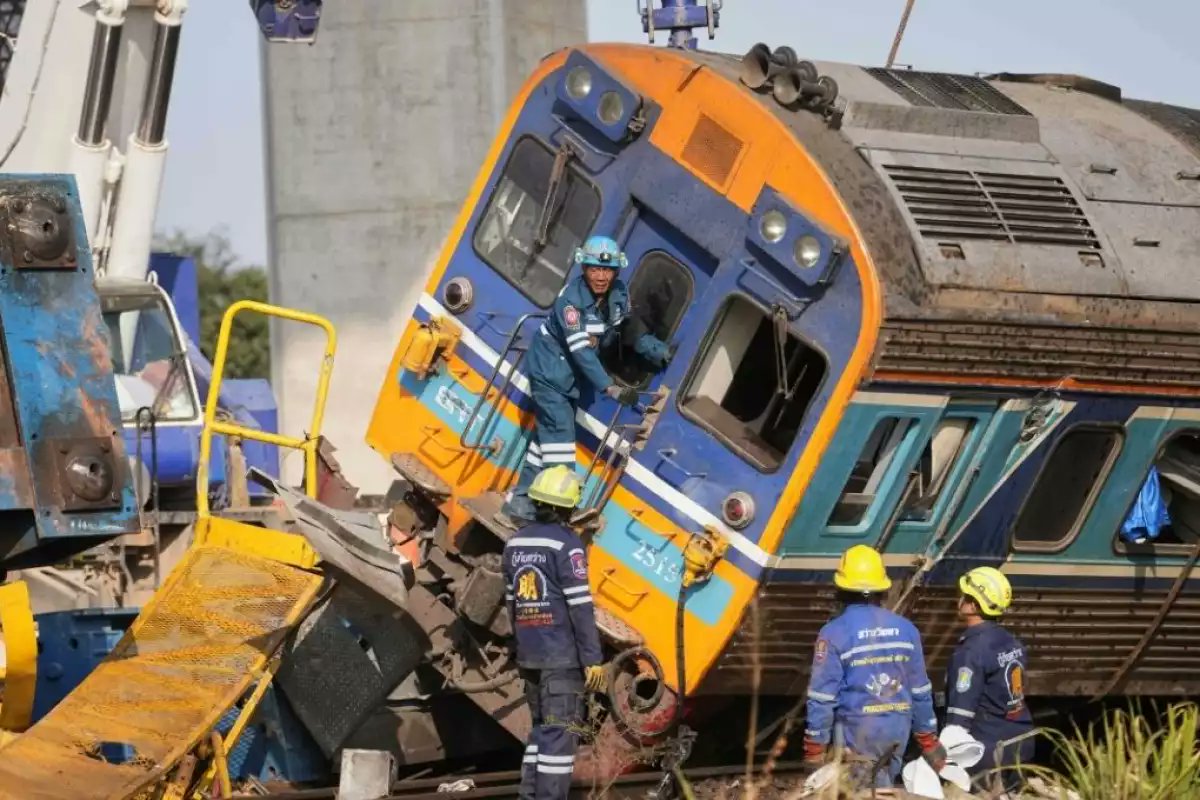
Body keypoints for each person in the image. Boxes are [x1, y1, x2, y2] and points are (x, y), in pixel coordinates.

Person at [498, 235, 671, 526]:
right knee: (561, 441)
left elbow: (628, 330)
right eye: (594, 269)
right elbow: (581, 350)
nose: (601, 276)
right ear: (584, 268)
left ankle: (520, 505)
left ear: (616, 271)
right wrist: (611, 388)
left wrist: (658, 351)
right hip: (550, 372)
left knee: (545, 441)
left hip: (570, 379)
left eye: (607, 270)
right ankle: (558, 512)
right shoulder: (571, 302)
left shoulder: (618, 295)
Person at [503, 465, 607, 800]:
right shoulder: (567, 545)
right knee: (560, 739)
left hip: (530, 654)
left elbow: (511, 604)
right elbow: (579, 607)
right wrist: (592, 659)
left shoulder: (514, 543)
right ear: (568, 507)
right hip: (561, 656)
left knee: (539, 734)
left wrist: (520, 646)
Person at [803, 545, 946, 789]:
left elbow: (822, 698)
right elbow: (920, 692)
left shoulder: (833, 633)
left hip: (856, 733)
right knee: (884, 787)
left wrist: (815, 748)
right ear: (882, 588)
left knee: (859, 791)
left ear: (841, 589)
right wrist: (928, 739)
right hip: (897, 728)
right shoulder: (906, 629)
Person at [945, 567, 1034, 794]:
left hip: (988, 749)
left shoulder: (971, 651)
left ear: (973, 605)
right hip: (1021, 741)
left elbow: (960, 717)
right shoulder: (1011, 642)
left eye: (963, 595)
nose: (959, 599)